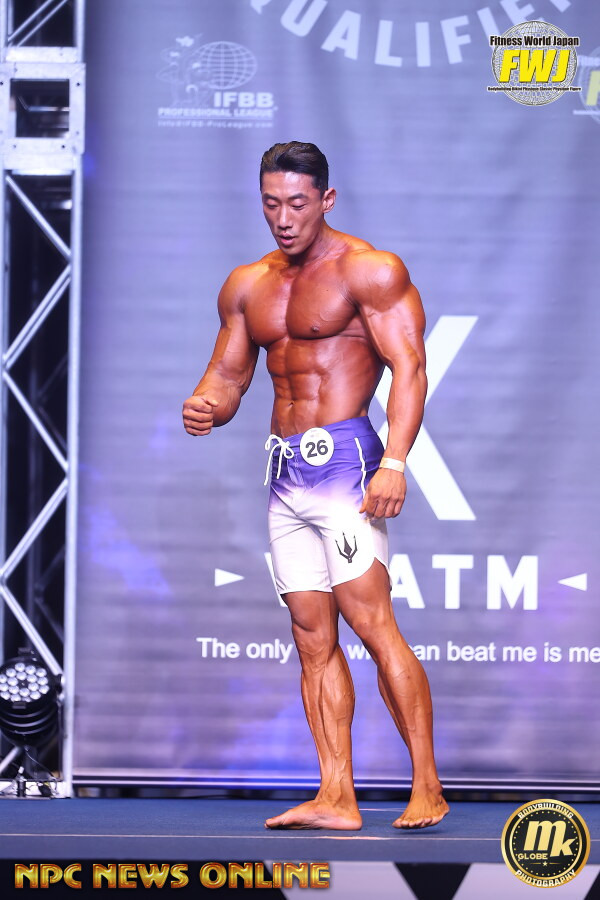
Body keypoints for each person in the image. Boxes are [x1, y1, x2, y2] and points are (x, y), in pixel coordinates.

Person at [182, 141, 449, 830]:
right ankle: (336, 796)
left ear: (326, 200)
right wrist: (207, 403)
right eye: (271, 204)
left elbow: (410, 368)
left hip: (347, 466)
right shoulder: (248, 284)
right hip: (285, 473)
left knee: (371, 622)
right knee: (310, 634)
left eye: (298, 203)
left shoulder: (369, 269)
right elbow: (230, 375)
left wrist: (395, 463)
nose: (284, 218)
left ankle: (427, 786)